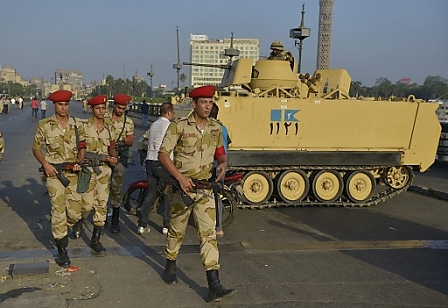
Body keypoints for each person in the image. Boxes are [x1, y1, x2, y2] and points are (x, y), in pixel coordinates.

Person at [158, 85, 237, 302]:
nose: (208, 106)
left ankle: (214, 284)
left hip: (205, 190)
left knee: (208, 235)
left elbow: (221, 154)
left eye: (210, 102)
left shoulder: (215, 127)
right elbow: (163, 154)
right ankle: (170, 264)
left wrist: (223, 164)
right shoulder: (179, 126)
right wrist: (180, 177)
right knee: (176, 231)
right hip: (182, 189)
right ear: (194, 104)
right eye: (204, 102)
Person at [32, 90, 86, 267]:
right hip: (54, 173)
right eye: (60, 105)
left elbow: (82, 146)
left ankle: (70, 224)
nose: (64, 108)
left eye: (66, 104)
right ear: (54, 105)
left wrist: (79, 161)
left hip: (73, 173)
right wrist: (46, 165)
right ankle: (62, 250)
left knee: (75, 212)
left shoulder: (77, 124)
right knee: (58, 210)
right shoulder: (45, 124)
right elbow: (36, 148)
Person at [73, 95, 118, 253]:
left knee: (102, 205)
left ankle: (95, 239)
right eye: (98, 108)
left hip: (104, 171)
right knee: (86, 204)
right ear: (91, 109)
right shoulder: (84, 127)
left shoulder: (110, 128)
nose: (101, 111)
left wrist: (114, 158)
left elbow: (112, 146)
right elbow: (81, 149)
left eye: (103, 108)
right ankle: (79, 220)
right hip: (88, 170)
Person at [137, 102, 175, 236]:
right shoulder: (170, 126)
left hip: (150, 160)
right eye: (173, 113)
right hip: (163, 162)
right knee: (167, 193)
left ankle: (142, 225)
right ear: (169, 113)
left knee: (151, 193)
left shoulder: (154, 125)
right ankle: (166, 225)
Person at [105, 94, 134, 233]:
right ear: (114, 106)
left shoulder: (128, 122)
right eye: (119, 107)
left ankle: (115, 221)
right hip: (104, 157)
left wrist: (126, 141)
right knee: (102, 188)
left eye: (123, 108)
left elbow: (130, 140)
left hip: (119, 159)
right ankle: (102, 218)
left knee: (116, 189)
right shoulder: (104, 119)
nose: (121, 110)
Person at [209, 103, 231, 238]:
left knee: (212, 194)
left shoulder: (210, 128)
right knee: (217, 194)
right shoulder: (223, 127)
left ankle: (217, 227)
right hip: (222, 165)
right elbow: (227, 143)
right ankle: (218, 226)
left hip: (212, 164)